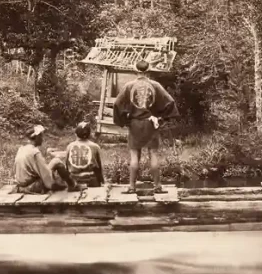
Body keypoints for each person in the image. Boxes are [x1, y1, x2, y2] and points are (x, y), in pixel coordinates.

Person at [113, 59, 179, 194]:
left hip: (135, 123)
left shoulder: (129, 86)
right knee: (153, 154)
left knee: (134, 156)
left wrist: (123, 122)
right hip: (151, 123)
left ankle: (131, 187)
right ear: (148, 71)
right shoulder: (155, 85)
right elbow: (170, 102)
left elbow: (116, 105)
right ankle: (157, 186)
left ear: (135, 71)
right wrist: (162, 118)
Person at [14, 124, 78, 194]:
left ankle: (70, 184)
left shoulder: (21, 149)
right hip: (32, 186)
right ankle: (72, 185)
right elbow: (46, 176)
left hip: (21, 185)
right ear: (36, 137)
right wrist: (57, 186)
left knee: (55, 162)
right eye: (41, 136)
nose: (42, 138)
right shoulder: (35, 152)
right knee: (56, 161)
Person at [65, 122, 105, 187]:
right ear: (89, 134)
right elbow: (98, 167)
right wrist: (101, 181)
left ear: (76, 134)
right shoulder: (95, 146)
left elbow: (67, 166)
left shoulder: (69, 146)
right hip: (91, 180)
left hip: (75, 180)